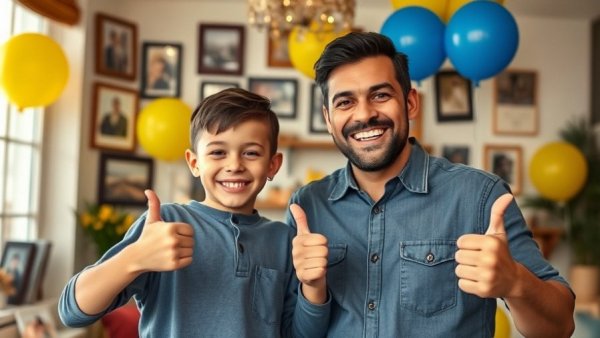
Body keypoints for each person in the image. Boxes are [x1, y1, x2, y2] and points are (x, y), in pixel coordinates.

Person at [285, 32, 575, 337]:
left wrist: (516, 282)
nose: (365, 114)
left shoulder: (480, 197)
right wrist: (311, 290)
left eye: (380, 95)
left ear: (410, 103)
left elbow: (560, 327)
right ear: (328, 119)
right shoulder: (307, 207)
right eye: (345, 102)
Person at [58, 88, 330, 337]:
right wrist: (134, 258)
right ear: (194, 162)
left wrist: (314, 286)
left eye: (250, 153)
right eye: (218, 152)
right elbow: (73, 311)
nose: (234, 165)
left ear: (273, 165)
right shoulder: (164, 225)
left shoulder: (283, 240)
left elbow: (302, 335)